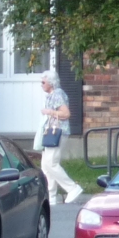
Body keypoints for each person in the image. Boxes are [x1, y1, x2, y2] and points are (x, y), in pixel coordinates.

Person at [39, 69, 84, 204]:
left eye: (43, 82)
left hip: (58, 132)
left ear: (51, 83)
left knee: (51, 163)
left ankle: (72, 188)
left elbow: (66, 114)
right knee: (45, 165)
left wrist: (50, 112)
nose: (41, 84)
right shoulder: (51, 95)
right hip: (50, 132)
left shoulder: (58, 94)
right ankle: (51, 195)